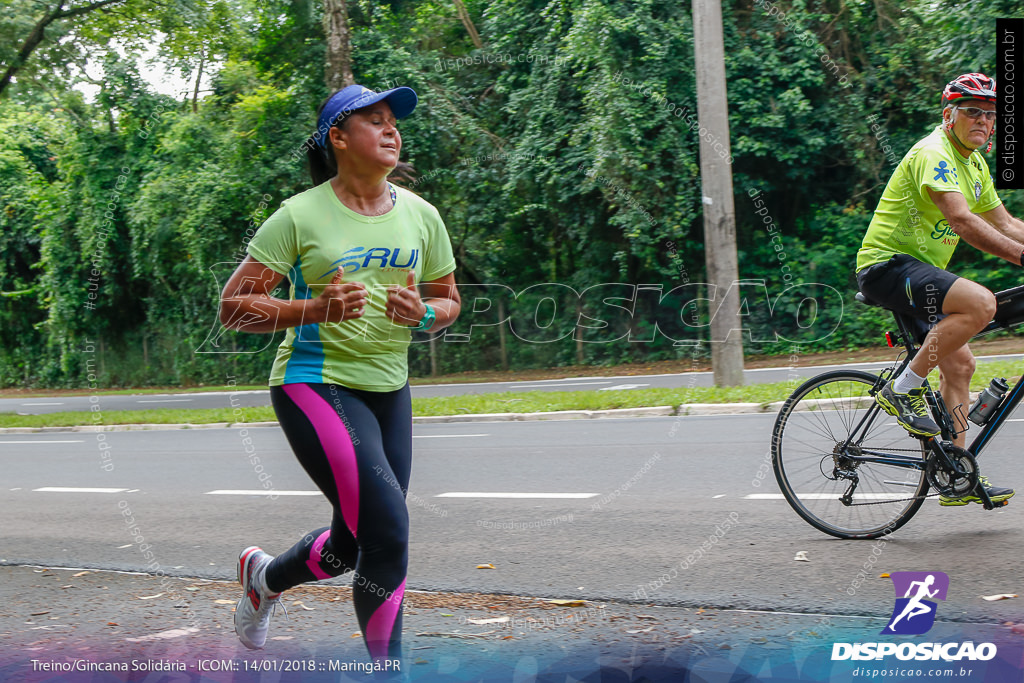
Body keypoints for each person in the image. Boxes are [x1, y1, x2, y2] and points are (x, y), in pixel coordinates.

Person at [218, 83, 461, 663]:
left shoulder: (423, 217)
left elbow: (449, 301)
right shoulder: (299, 216)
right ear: (338, 138)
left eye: (393, 121)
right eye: (373, 121)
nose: (390, 130)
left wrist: (425, 313)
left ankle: (265, 579)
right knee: (389, 534)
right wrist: (316, 308)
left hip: (388, 388)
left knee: (353, 546)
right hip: (313, 381)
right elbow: (233, 309)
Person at [856, 72, 1019, 506]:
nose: (984, 121)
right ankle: (902, 388)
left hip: (919, 273)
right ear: (949, 115)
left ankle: (957, 474)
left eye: (990, 114)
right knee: (981, 304)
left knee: (960, 367)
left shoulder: (974, 162)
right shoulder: (936, 152)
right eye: (972, 112)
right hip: (887, 266)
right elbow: (964, 222)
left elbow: (1005, 224)